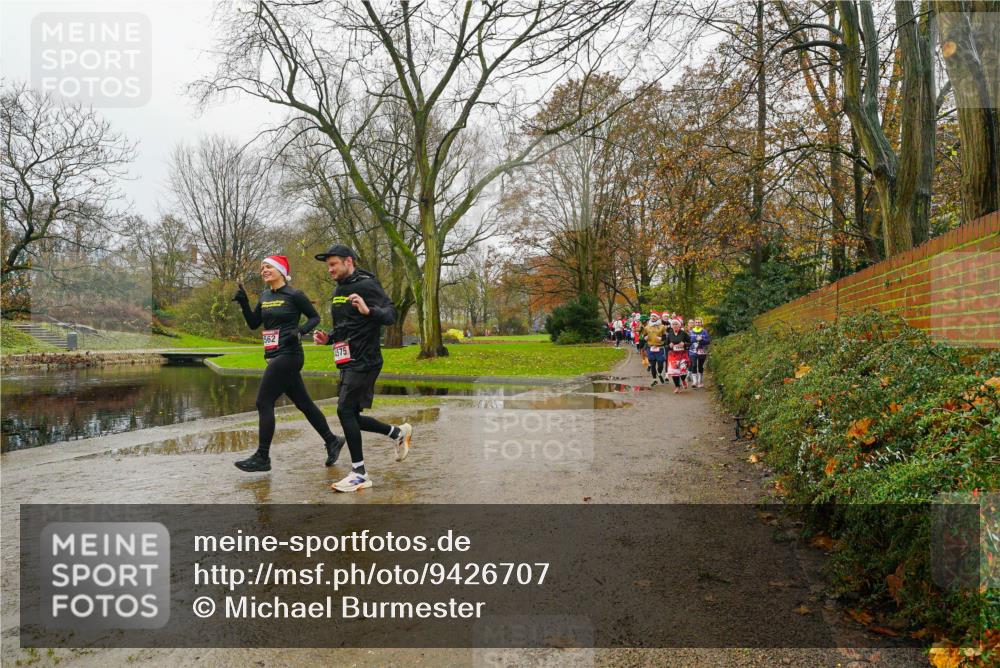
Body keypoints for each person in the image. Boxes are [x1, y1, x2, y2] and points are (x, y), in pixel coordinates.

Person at [231, 255, 345, 472]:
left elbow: (314, 318)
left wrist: (300, 331)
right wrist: (244, 302)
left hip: (290, 355)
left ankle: (262, 457)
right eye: (262, 267)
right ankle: (332, 440)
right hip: (274, 356)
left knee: (263, 402)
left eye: (268, 267)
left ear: (281, 271)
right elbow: (254, 323)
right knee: (304, 403)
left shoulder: (294, 295)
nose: (264, 270)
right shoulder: (265, 296)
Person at [313, 244, 412, 493]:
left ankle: (359, 473)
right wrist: (330, 337)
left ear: (349, 261)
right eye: (328, 265)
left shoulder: (367, 285)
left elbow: (391, 314)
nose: (330, 269)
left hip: (366, 359)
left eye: (333, 264)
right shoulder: (339, 289)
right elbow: (347, 325)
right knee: (352, 416)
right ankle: (397, 432)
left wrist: (370, 310)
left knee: (344, 410)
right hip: (348, 358)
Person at [664, 318, 691, 393]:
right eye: (673, 324)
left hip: (683, 354)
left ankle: (683, 380)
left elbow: (690, 342)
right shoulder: (670, 334)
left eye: (676, 324)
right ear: (671, 326)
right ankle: (677, 387)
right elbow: (665, 345)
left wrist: (684, 344)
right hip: (673, 355)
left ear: (679, 325)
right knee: (674, 372)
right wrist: (669, 345)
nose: (675, 326)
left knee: (683, 370)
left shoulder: (683, 333)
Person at [643, 312, 667, 386]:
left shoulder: (662, 326)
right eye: (651, 316)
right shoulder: (647, 327)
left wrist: (661, 338)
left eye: (654, 316)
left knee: (660, 363)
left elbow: (665, 337)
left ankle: (659, 373)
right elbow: (644, 336)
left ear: (657, 318)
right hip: (651, 348)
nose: (652, 317)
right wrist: (645, 338)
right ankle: (654, 380)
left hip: (659, 348)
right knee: (652, 364)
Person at [689, 317, 711, 388]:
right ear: (694, 323)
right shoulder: (691, 331)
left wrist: (702, 339)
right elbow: (689, 340)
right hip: (693, 351)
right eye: (696, 322)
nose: (698, 324)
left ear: (701, 323)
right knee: (694, 365)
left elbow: (708, 341)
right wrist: (695, 339)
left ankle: (700, 381)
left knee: (700, 366)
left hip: (702, 351)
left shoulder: (704, 331)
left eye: (699, 322)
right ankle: (694, 382)